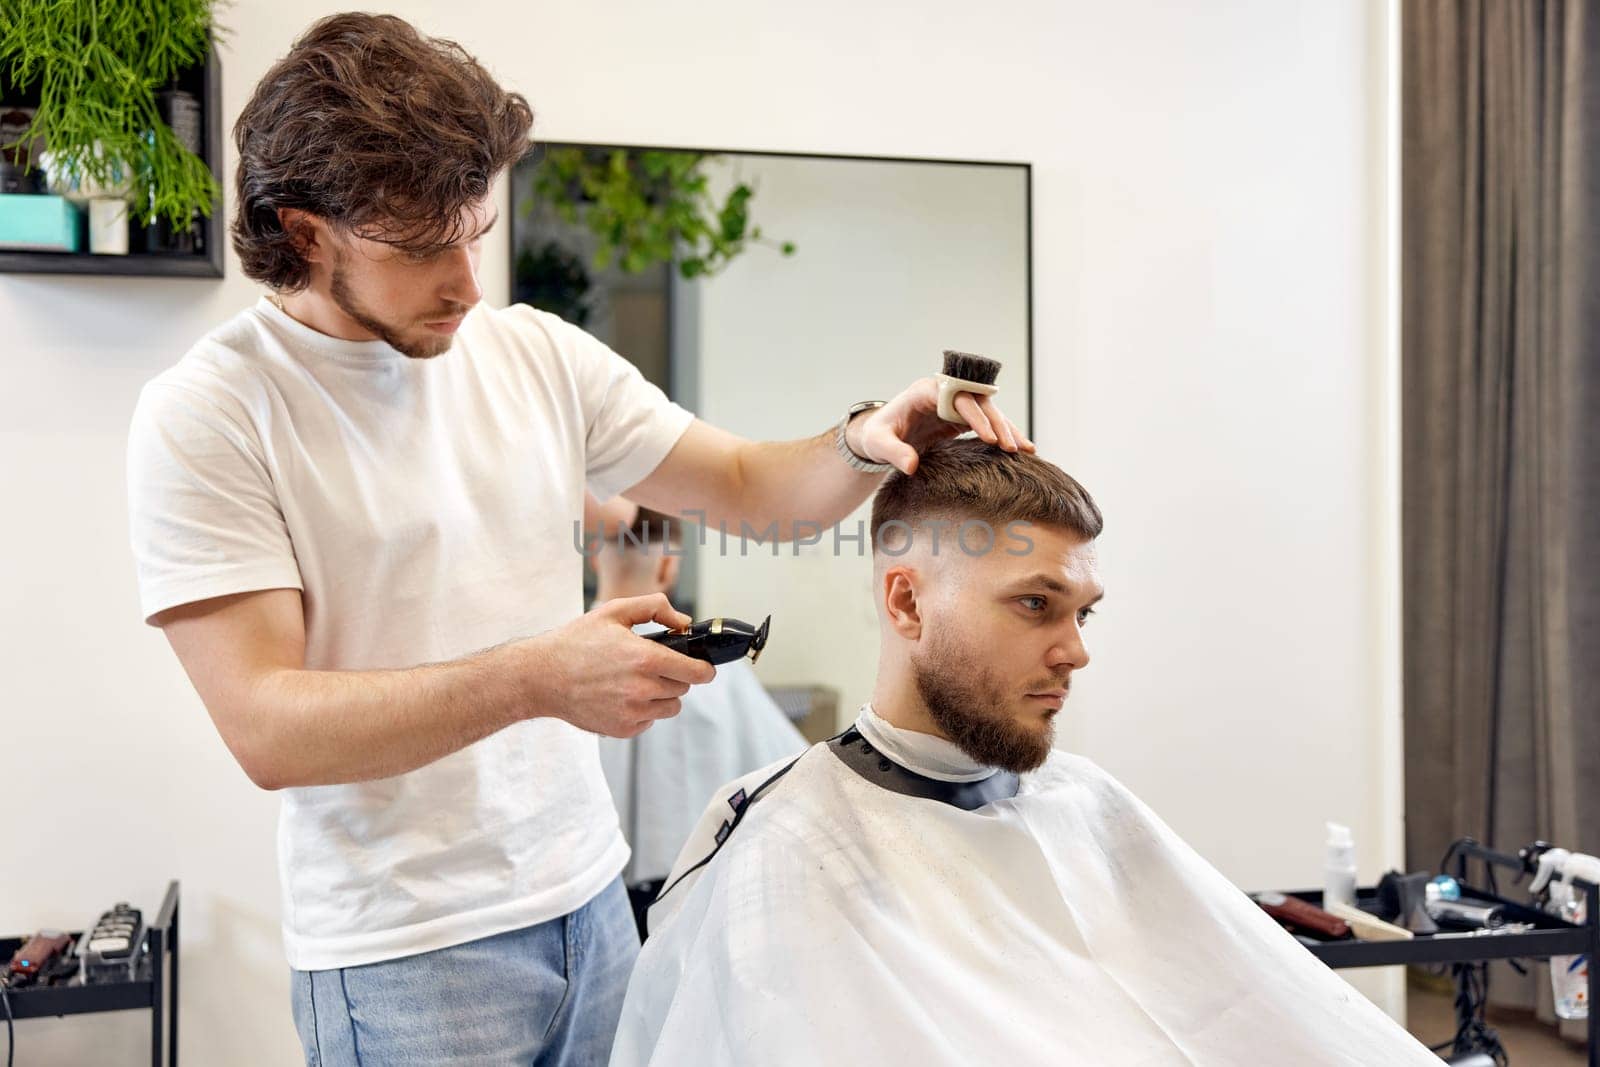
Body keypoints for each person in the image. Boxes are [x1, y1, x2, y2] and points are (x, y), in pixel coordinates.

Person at [123, 13, 1030, 1066]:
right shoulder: (214, 412)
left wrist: (867, 440)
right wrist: (542, 675)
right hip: (405, 958)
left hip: (594, 905)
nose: (467, 279)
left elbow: (742, 482)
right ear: (305, 230)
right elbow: (266, 726)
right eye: (423, 247)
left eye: (474, 229)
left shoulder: (532, 353)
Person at [610, 437, 1440, 1067]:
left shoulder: (1086, 801)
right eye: (1036, 604)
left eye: (1084, 613)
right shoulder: (790, 849)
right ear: (907, 601)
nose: (1075, 651)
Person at [586, 499, 807, 935]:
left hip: (581, 897)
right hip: (687, 896)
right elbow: (792, 774)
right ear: (668, 565)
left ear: (595, 559)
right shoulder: (714, 672)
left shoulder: (553, 666)